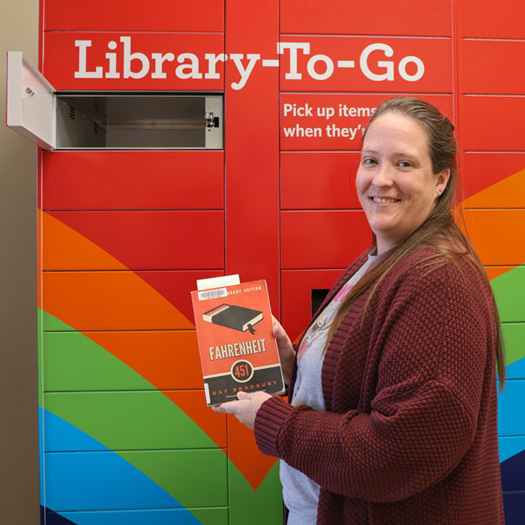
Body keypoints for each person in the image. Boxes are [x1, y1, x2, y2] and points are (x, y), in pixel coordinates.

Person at [213, 97, 506, 524]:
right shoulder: (380, 260)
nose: (381, 180)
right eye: (371, 160)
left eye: (404, 164)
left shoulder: (438, 282)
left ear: (441, 179)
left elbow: (400, 452)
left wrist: (274, 422)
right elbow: (362, 384)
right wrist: (293, 368)